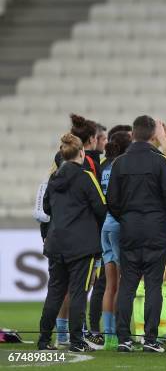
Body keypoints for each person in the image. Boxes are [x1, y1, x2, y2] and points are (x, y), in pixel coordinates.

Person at [108, 116, 166, 353]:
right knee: (153, 286)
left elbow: (112, 202)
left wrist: (127, 219)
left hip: (129, 231)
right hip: (156, 231)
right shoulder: (160, 162)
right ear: (152, 136)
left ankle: (123, 339)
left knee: (127, 285)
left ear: (133, 135)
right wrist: (163, 220)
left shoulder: (119, 163)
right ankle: (151, 339)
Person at [37, 133, 107, 352]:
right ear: (82, 153)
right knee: (78, 292)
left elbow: (47, 209)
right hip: (81, 246)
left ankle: (44, 340)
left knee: (55, 292)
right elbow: (101, 209)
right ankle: (77, 342)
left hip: (57, 243)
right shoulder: (86, 177)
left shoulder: (53, 178)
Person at [133, 121, 166, 345]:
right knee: (145, 284)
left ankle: (161, 330)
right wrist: (163, 137)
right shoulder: (159, 161)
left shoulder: (159, 158)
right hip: (156, 226)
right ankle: (141, 331)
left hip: (153, 226)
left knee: (162, 281)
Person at [100, 130, 132, 350]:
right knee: (123, 283)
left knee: (110, 284)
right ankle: (121, 332)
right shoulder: (122, 167)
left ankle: (108, 335)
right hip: (119, 225)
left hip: (103, 225)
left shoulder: (102, 166)